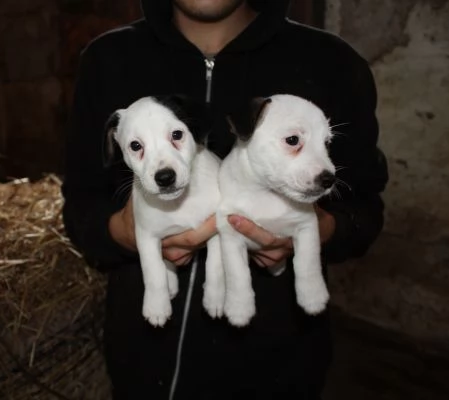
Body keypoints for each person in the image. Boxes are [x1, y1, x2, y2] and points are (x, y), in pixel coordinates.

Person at [62, 0, 388, 399]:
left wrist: (316, 228)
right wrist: (122, 232)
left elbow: (366, 206)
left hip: (276, 368)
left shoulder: (332, 63)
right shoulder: (107, 60)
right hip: (142, 363)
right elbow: (80, 201)